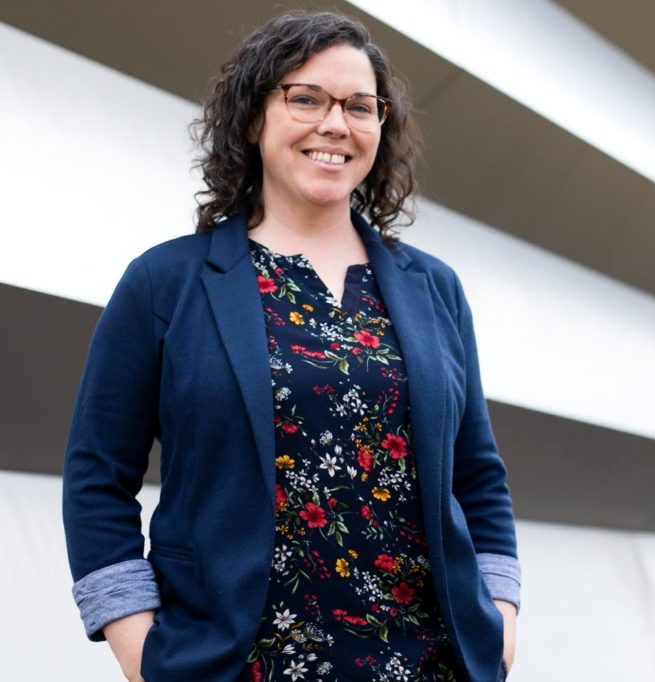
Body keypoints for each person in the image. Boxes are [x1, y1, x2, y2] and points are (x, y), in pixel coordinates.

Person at [62, 11, 520, 682]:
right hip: (235, 667)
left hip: (429, 665)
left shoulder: (435, 289)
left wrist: (501, 617)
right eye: (306, 98)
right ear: (254, 118)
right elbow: (97, 478)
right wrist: (139, 648)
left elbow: (477, 476)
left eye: (360, 107)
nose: (335, 124)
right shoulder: (166, 283)